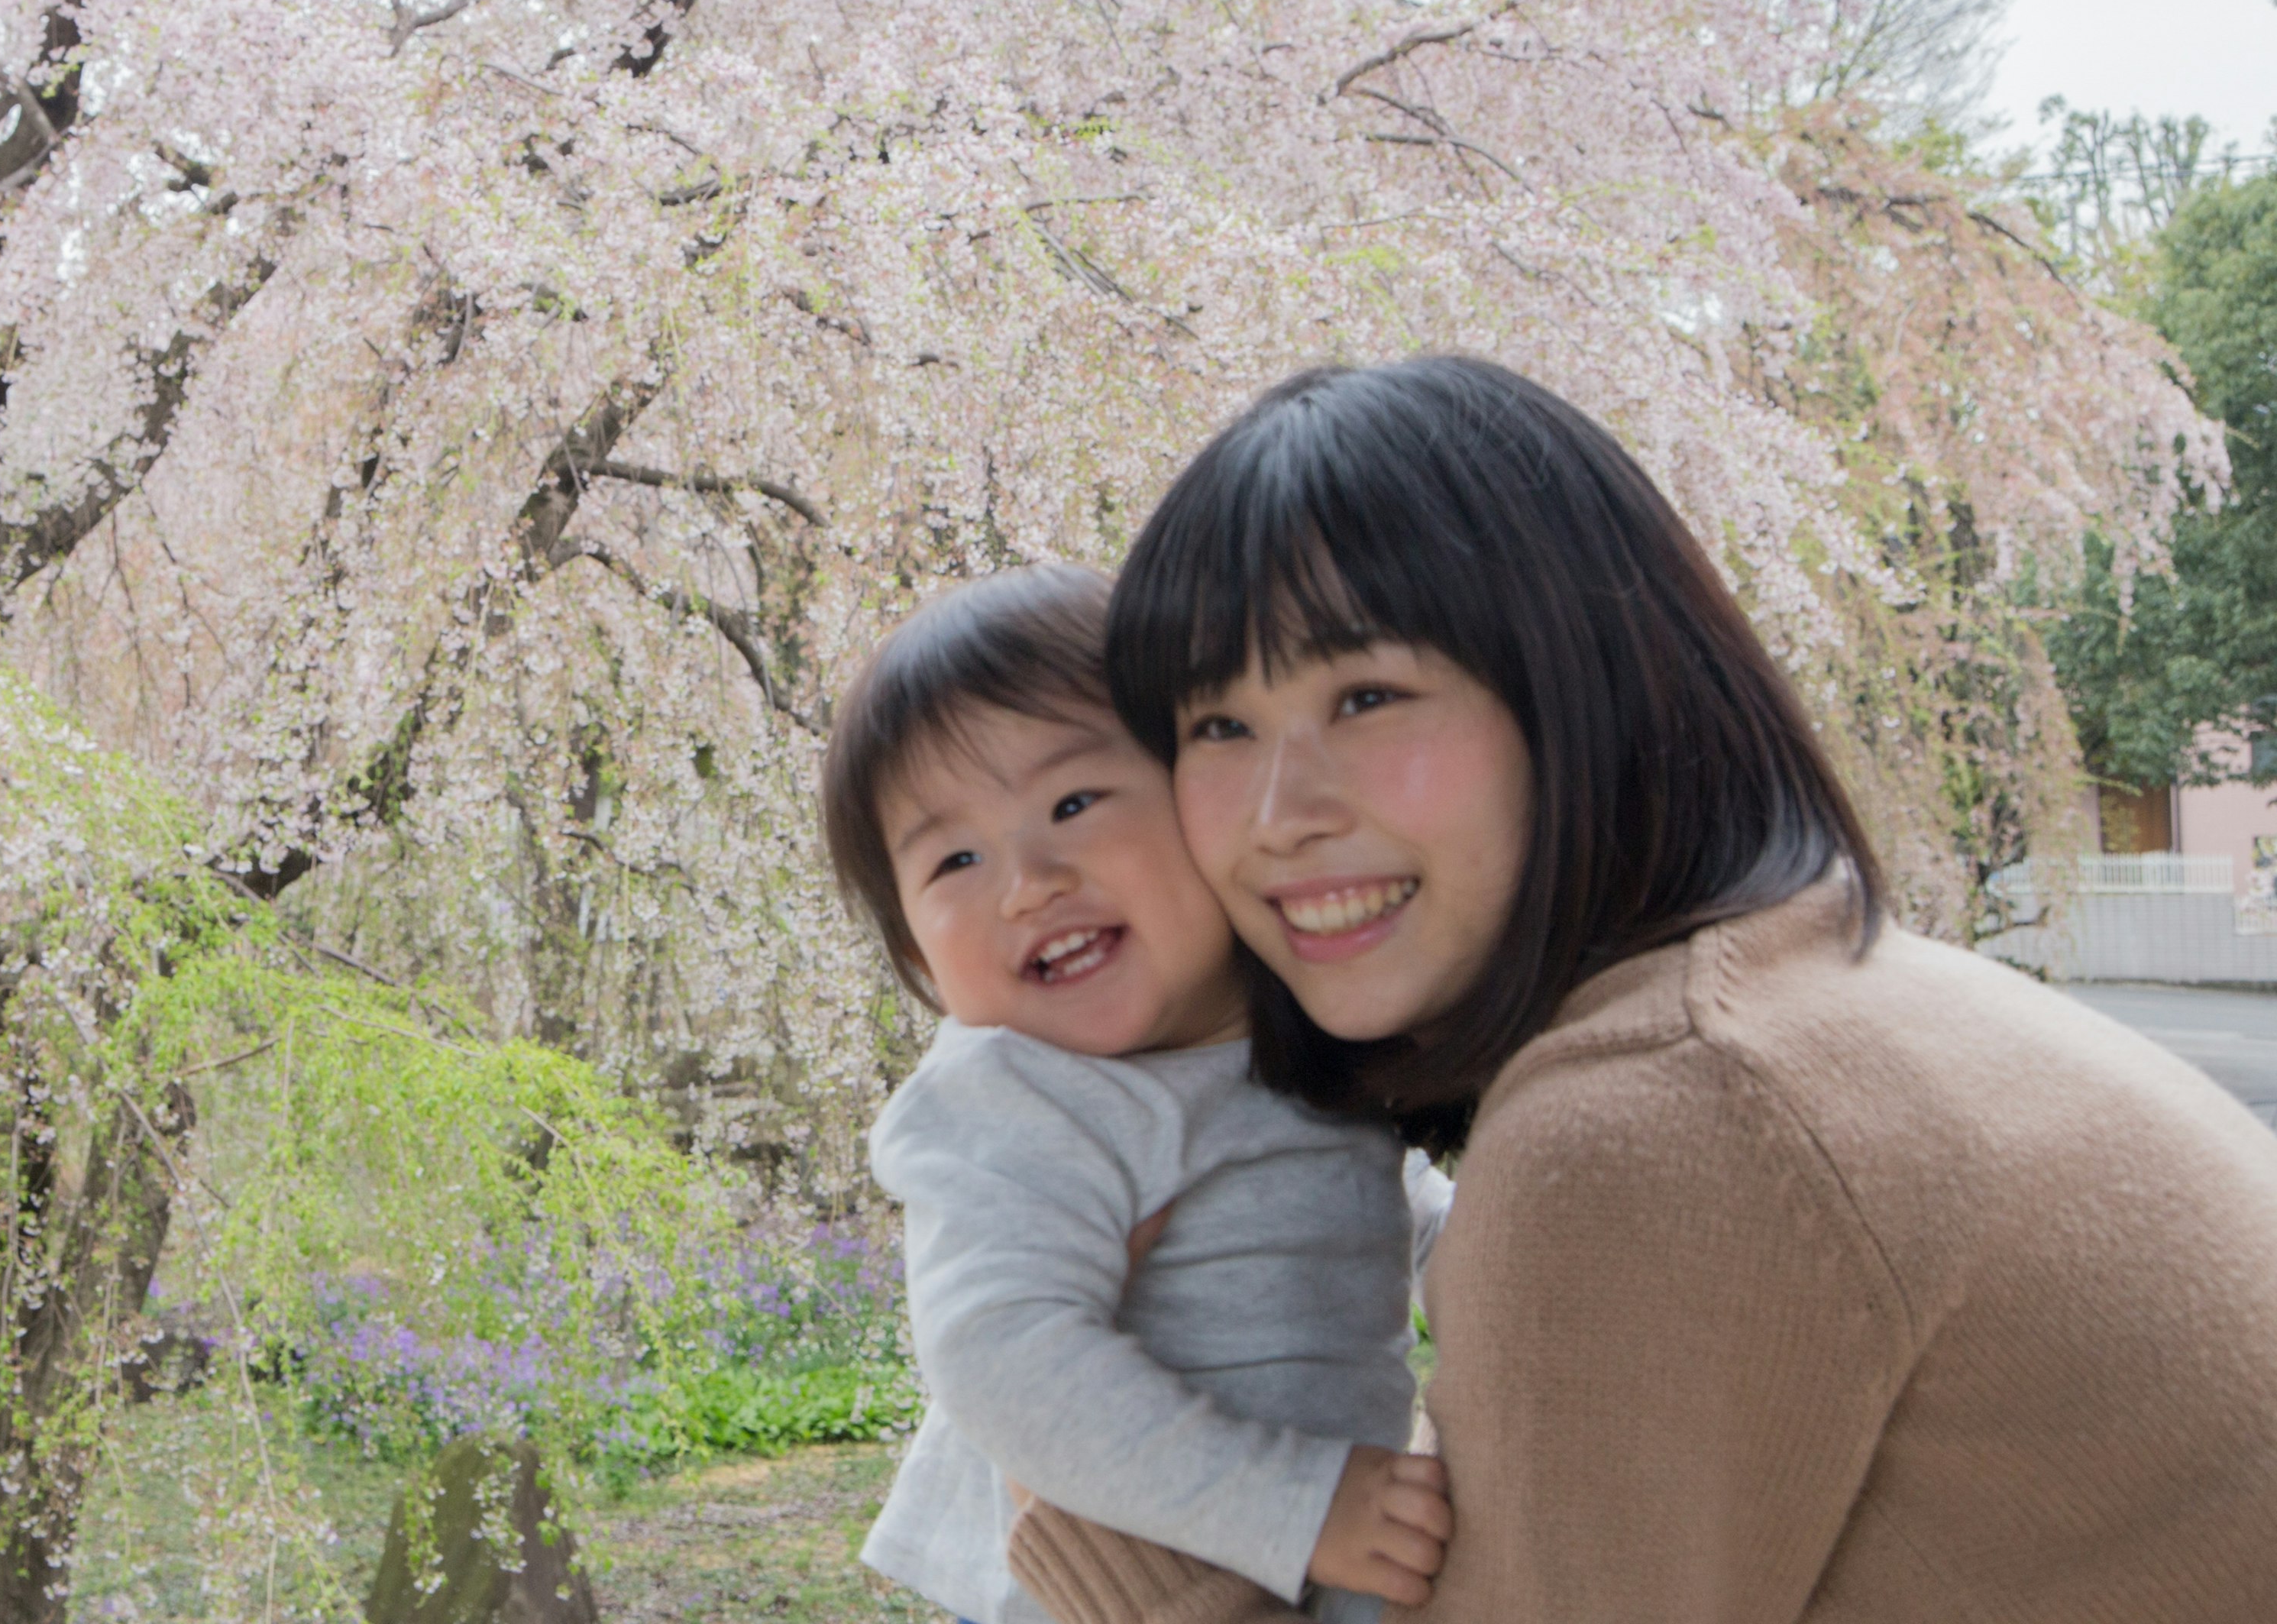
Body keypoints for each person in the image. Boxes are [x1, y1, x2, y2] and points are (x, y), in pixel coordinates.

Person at [998, 357, 2277, 1624]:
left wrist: (1080, 1451)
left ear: (1581, 694)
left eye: (1370, 695)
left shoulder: (1664, 1119)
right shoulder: (1800, 998)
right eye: (1216, 727)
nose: (1279, 818)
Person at [820, 564, 1457, 1624]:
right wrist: (1291, 1505)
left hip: (1320, 1556)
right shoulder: (1016, 1097)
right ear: (915, 954)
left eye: (1074, 803)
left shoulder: (1301, 1018)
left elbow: (1398, 1200)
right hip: (1122, 1588)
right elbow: (1000, 1353)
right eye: (957, 860)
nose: (1030, 883)